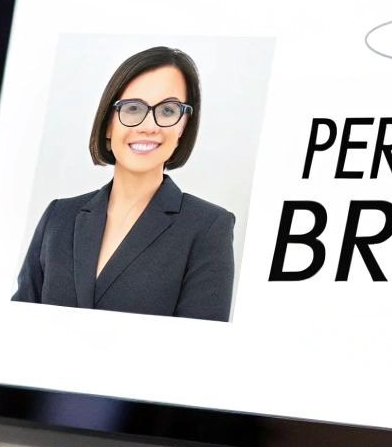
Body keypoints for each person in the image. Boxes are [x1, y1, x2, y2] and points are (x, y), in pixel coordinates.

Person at [13, 46, 237, 321]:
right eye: (133, 109)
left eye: (168, 111)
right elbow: (18, 326)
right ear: (108, 123)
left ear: (182, 127)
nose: (149, 125)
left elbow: (198, 352)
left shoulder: (208, 228)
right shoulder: (59, 217)